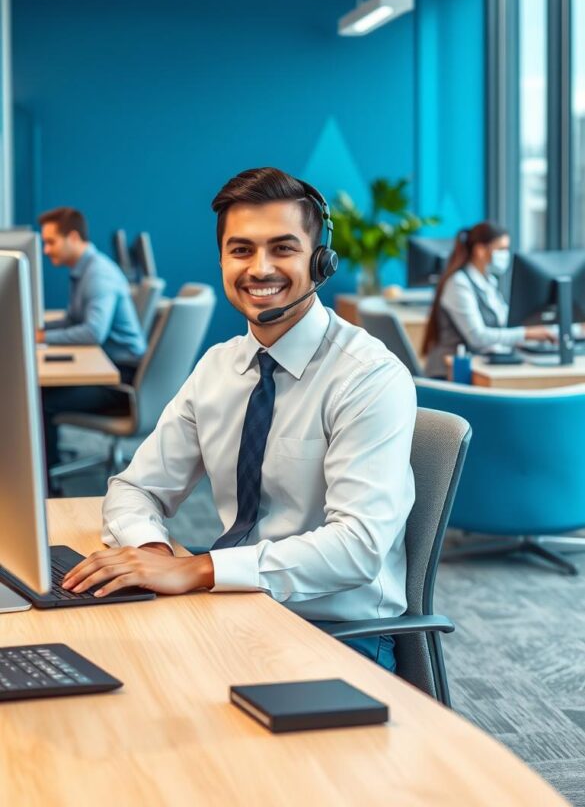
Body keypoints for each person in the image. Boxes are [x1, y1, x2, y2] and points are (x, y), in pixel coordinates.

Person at [62, 168, 416, 673]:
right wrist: (153, 552)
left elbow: (357, 548)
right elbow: (135, 487)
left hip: (334, 632)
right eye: (242, 250)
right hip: (232, 602)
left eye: (283, 248)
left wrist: (202, 569)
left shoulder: (367, 377)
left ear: (322, 262)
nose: (260, 268)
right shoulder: (218, 367)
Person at [38, 207, 147, 469]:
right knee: (40, 390)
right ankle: (46, 461)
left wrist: (42, 338)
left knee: (40, 400)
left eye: (51, 242)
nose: (46, 250)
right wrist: (40, 330)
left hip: (121, 381)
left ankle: (47, 483)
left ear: (73, 238)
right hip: (109, 368)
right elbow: (74, 320)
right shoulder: (83, 271)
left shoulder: (98, 274)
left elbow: (91, 332)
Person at [423, 221, 554, 378]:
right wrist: (526, 334)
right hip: (449, 374)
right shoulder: (458, 283)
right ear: (480, 250)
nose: (505, 255)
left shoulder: (489, 280)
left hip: (479, 368)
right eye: (501, 249)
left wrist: (550, 329)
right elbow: (478, 337)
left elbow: (506, 323)